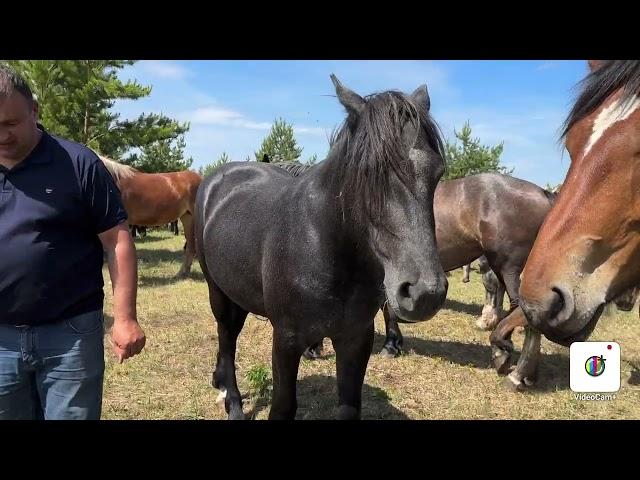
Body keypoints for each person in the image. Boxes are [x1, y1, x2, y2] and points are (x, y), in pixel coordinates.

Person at [0, 63, 146, 420]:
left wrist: (125, 317)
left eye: (10, 124)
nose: (2, 135)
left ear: (34, 111)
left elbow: (117, 240)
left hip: (69, 335)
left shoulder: (78, 164)